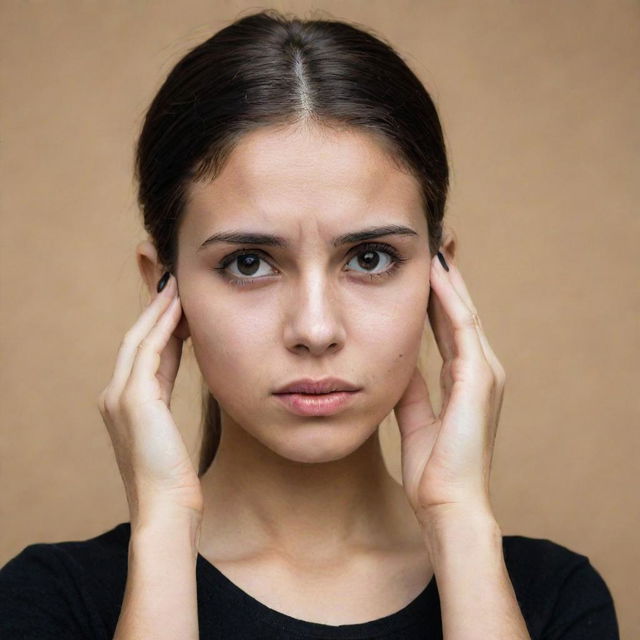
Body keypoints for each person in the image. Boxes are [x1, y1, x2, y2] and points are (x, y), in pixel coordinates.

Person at [1, 9, 619, 639]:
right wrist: (163, 533)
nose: (316, 329)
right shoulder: (53, 601)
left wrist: (459, 523)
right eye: (248, 263)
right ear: (166, 284)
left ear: (440, 278)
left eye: (370, 258)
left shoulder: (554, 599)